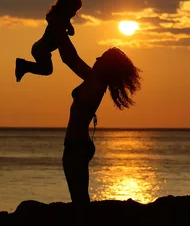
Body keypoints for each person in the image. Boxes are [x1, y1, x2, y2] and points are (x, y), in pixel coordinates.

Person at [57, 34, 142, 205]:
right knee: (79, 197)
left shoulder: (95, 81)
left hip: (76, 146)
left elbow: (70, 58)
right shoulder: (95, 81)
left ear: (106, 66)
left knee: (79, 199)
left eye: (101, 58)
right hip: (79, 144)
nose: (96, 58)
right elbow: (69, 58)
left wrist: (59, 31)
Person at [15, 0, 82, 82]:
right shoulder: (55, 18)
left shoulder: (64, 20)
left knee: (46, 70)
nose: (74, 14)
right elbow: (51, 20)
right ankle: (23, 65)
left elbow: (70, 30)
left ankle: (24, 66)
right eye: (73, 10)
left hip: (43, 50)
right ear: (66, 7)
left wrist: (70, 28)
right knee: (46, 70)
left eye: (76, 11)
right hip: (41, 49)